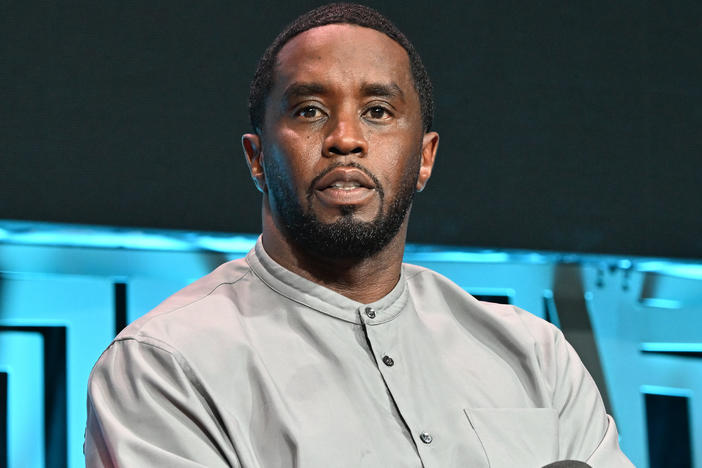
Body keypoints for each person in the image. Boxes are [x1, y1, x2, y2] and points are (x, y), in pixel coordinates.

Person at [84, 4, 635, 467]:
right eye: (309, 110)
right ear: (257, 158)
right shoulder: (165, 364)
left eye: (377, 111)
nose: (345, 138)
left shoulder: (535, 354)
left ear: (424, 158)